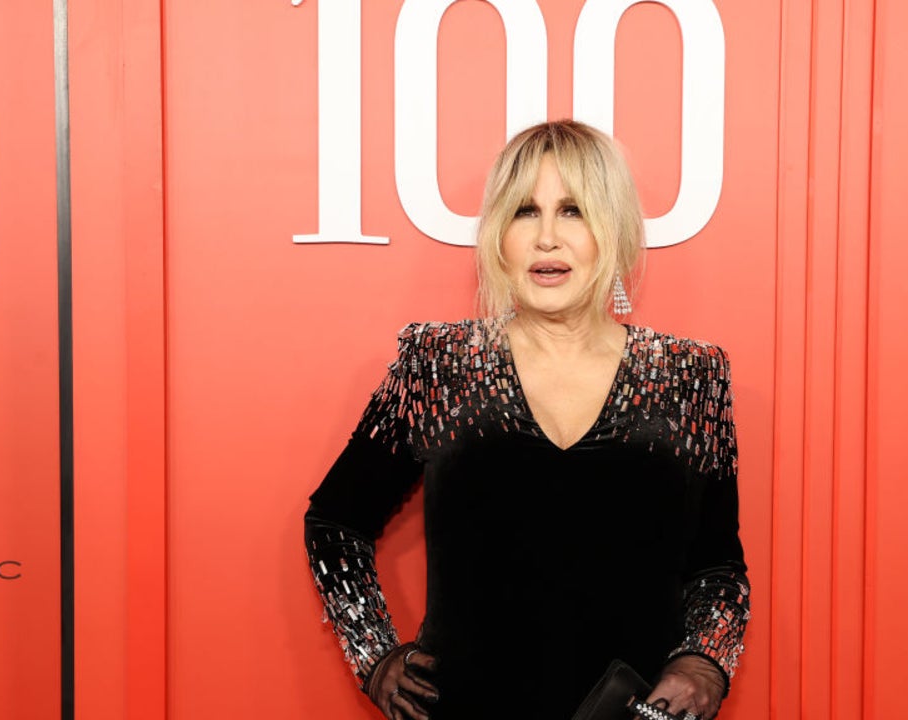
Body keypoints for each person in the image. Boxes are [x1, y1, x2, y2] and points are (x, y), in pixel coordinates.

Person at [304, 120, 750, 720]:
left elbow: (718, 566)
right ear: (498, 236)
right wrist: (374, 655)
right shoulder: (438, 365)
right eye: (524, 212)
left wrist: (704, 662)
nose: (546, 239)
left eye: (573, 211)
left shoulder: (690, 376)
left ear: (614, 229)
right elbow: (335, 521)